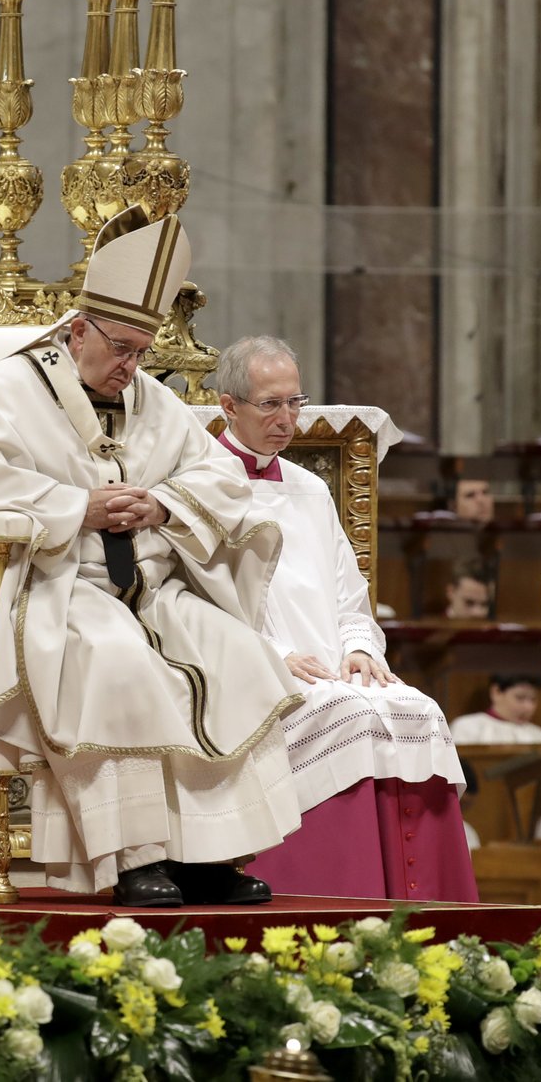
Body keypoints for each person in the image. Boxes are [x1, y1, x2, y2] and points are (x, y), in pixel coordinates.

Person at [0, 207, 302, 907]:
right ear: (78, 331)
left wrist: (164, 506)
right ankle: (131, 856)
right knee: (118, 658)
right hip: (50, 584)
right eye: (122, 348)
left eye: (142, 351)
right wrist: (79, 509)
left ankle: (208, 854)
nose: (131, 366)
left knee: (231, 649)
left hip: (148, 589)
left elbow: (216, 475)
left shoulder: (150, 397)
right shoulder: (4, 391)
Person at [209, 336, 476, 901]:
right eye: (270, 405)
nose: (287, 419)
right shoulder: (201, 486)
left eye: (294, 402)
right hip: (253, 672)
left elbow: (348, 592)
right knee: (349, 715)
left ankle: (428, 906)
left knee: (417, 710)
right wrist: (276, 656)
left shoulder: (310, 489)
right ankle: (345, 897)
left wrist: (359, 647)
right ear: (228, 406)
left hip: (330, 667)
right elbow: (200, 604)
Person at [450, 674, 541, 745]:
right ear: (496, 692)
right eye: (520, 697)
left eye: (533, 699)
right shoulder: (466, 728)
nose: (528, 707)